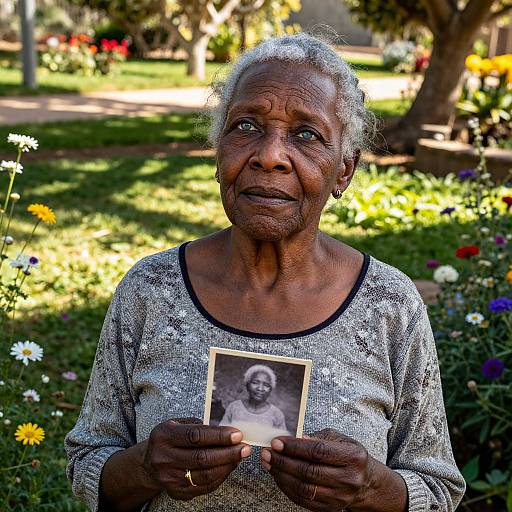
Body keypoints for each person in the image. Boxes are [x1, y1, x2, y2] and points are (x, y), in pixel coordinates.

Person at [64, 32, 466, 512]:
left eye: (306, 134)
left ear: (344, 171)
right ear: (218, 155)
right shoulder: (151, 290)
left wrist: (372, 488)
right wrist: (146, 467)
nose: (270, 155)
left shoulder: (389, 304)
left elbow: (438, 489)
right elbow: (89, 462)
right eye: (246, 126)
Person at [219, 365, 288, 445]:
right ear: (247, 385)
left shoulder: (277, 414)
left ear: (270, 390)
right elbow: (221, 435)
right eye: (255, 382)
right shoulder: (234, 407)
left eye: (266, 385)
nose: (260, 388)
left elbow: (282, 444)